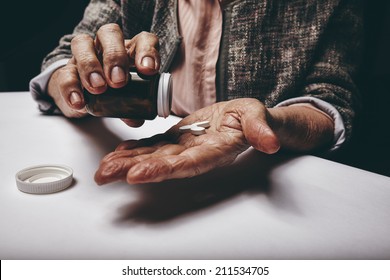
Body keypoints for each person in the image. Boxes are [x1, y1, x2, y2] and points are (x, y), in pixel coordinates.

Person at [29, 0, 363, 185]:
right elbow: (64, 57)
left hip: (261, 177)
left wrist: (270, 122)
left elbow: (330, 99)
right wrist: (72, 83)